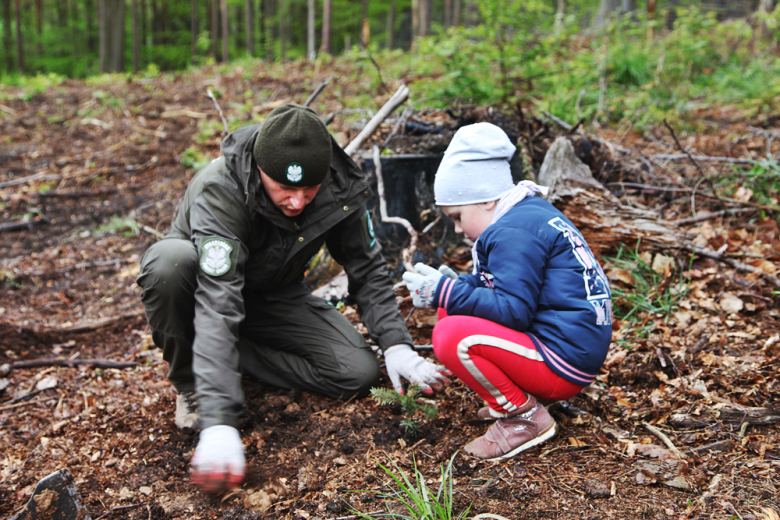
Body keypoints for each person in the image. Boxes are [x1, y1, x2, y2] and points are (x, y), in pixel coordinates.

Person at [137, 104, 450, 493]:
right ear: (260, 168)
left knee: (356, 372)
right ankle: (194, 386)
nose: (298, 202)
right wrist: (220, 421)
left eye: (309, 189)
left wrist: (397, 345)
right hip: (202, 291)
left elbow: (367, 268)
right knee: (169, 262)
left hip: (273, 295)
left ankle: (234, 354)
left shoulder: (340, 184)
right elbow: (219, 301)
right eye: (284, 188)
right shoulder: (221, 187)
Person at [403, 122, 612, 461]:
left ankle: (522, 418)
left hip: (561, 360)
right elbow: (505, 288)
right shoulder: (526, 215)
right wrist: (455, 285)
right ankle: (519, 395)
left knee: (450, 334)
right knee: (452, 311)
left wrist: (448, 292)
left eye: (457, 217)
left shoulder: (513, 232)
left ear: (485, 199)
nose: (458, 229)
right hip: (567, 347)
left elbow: (513, 311)